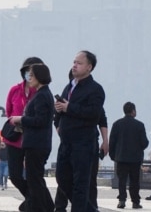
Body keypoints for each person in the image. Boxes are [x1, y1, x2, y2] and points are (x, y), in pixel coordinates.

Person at [53, 51, 105, 212]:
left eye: (79, 63)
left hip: (83, 143)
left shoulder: (95, 89)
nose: (74, 65)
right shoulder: (69, 86)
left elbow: (94, 114)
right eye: (74, 62)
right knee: (62, 179)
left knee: (81, 184)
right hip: (66, 142)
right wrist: (59, 110)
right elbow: (61, 112)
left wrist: (69, 107)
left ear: (89, 67)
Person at [7, 63, 54, 212]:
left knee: (35, 180)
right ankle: (43, 206)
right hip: (35, 143)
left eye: (32, 75)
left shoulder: (42, 95)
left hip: (37, 144)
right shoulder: (41, 94)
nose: (29, 78)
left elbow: (41, 120)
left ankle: (38, 207)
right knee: (34, 179)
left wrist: (21, 119)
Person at [3, 56, 44, 209]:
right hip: (14, 139)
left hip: (32, 139)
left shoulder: (40, 92)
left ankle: (36, 203)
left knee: (34, 176)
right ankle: (35, 200)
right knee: (14, 176)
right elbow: (9, 111)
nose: (30, 75)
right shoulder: (15, 90)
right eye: (28, 71)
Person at [109, 101, 148, 209]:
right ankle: (135, 202)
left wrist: (113, 156)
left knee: (122, 180)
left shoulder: (117, 124)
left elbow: (112, 142)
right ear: (133, 111)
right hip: (135, 159)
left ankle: (122, 200)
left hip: (121, 158)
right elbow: (144, 143)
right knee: (134, 181)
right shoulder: (139, 125)